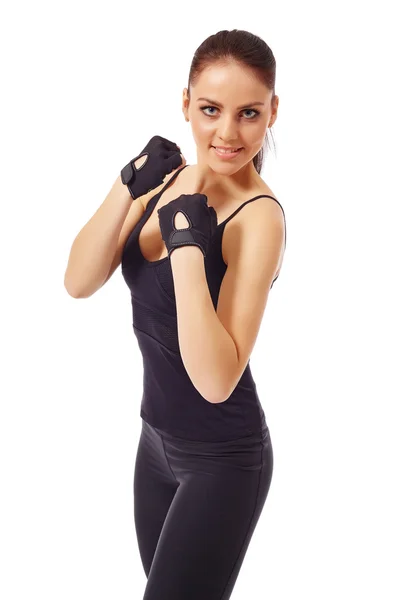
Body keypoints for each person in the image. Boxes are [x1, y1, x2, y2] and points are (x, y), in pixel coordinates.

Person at [65, 28, 286, 600]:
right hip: (155, 445)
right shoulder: (171, 178)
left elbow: (216, 381)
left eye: (248, 113)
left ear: (272, 113)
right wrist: (125, 185)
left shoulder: (258, 219)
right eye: (211, 109)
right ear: (185, 102)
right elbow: (79, 281)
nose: (228, 133)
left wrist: (188, 249)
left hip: (224, 460)